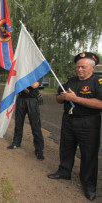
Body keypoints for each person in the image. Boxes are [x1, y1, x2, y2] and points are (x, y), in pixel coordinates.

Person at [47, 52, 102, 201]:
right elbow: (58, 99)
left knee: (89, 154)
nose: (79, 70)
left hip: (88, 122)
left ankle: (89, 184)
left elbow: (100, 103)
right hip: (69, 120)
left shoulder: (98, 82)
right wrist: (63, 97)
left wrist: (75, 98)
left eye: (83, 67)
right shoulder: (70, 81)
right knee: (66, 147)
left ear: (92, 67)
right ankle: (64, 171)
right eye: (78, 67)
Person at [7, 80, 45, 160]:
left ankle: (39, 150)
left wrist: (23, 82)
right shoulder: (23, 69)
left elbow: (35, 85)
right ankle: (16, 142)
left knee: (35, 126)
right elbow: (16, 80)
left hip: (32, 100)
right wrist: (23, 87)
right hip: (21, 99)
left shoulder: (37, 70)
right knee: (18, 123)